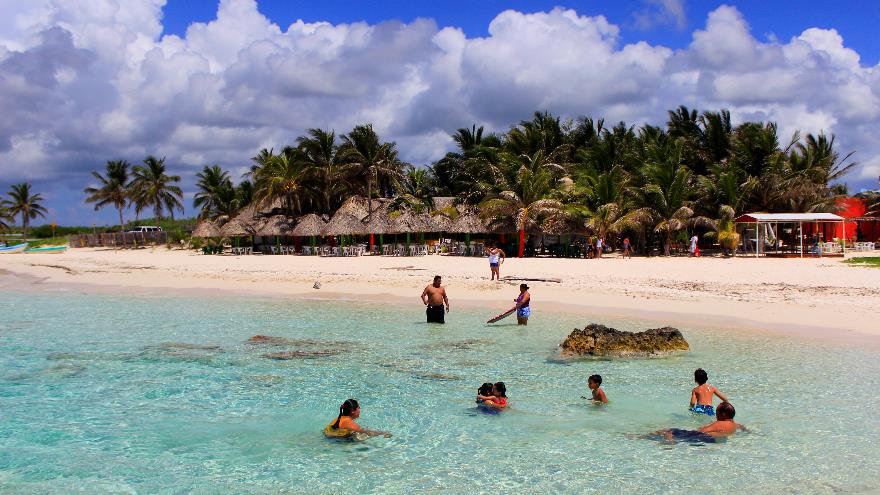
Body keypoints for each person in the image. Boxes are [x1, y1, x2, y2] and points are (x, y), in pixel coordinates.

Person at [647, 401, 743, 444]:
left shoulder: (719, 424)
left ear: (724, 414)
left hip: (703, 437)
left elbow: (702, 431)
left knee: (669, 431)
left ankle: (642, 437)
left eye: (717, 413)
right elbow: (744, 429)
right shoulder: (736, 425)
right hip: (715, 441)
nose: (716, 415)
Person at [323, 398, 391, 439]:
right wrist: (383, 433)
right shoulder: (349, 423)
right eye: (358, 408)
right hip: (335, 440)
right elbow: (367, 432)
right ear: (352, 411)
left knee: (355, 434)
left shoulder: (340, 418)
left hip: (329, 436)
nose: (360, 409)